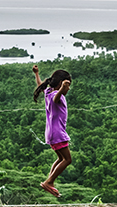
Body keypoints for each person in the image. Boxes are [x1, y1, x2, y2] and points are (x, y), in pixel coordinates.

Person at [32, 65, 72, 198]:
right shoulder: (56, 95)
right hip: (58, 133)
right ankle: (49, 181)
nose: (69, 88)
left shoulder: (48, 92)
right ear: (61, 84)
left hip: (50, 134)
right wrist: (62, 89)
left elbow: (40, 85)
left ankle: (49, 181)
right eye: (68, 85)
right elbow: (58, 96)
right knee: (67, 160)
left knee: (61, 158)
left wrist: (36, 74)